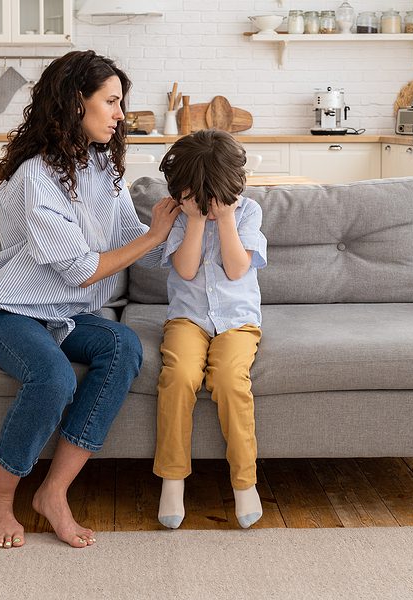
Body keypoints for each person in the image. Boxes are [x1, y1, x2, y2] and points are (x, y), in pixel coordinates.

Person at [0, 50, 180, 549]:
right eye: (111, 101)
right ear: (77, 103)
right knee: (54, 378)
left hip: (65, 315)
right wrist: (154, 236)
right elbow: (82, 271)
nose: (121, 114)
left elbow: (135, 244)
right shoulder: (36, 176)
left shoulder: (102, 169)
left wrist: (189, 222)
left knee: (123, 347)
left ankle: (53, 493)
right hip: (8, 311)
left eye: (121, 103)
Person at [152, 129, 268, 529]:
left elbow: (236, 269)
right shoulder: (182, 216)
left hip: (237, 322)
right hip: (188, 319)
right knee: (179, 377)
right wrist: (197, 220)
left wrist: (227, 217)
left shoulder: (248, 212)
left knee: (231, 382)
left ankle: (244, 483)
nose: (208, 206)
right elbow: (185, 269)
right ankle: (172, 481)